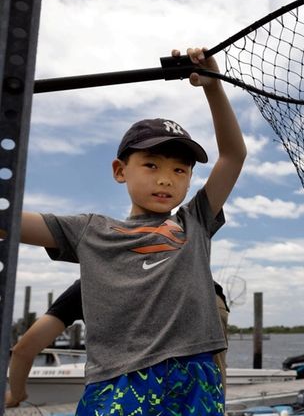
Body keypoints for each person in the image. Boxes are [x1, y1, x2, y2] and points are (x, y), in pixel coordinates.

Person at [19, 47, 246, 415]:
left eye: (179, 170)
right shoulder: (90, 230)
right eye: (151, 164)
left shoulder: (195, 221)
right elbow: (12, 221)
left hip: (194, 374)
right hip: (118, 381)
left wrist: (213, 88)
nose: (165, 179)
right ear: (120, 170)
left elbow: (233, 156)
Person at [4, 279, 231, 408]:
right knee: (205, 387)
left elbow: (25, 349)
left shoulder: (88, 285)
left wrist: (16, 395)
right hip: (206, 296)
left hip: (199, 296)